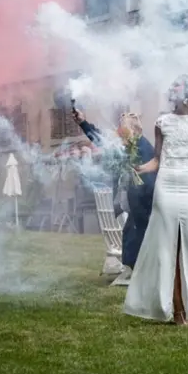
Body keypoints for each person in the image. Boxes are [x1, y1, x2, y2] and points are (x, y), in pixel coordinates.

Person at [123, 75, 188, 325]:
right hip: (166, 185)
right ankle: (177, 310)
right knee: (168, 248)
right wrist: (138, 167)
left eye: (178, 86)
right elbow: (158, 159)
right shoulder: (163, 122)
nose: (173, 90)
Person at [74, 108, 155, 284]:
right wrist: (83, 122)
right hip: (134, 200)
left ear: (134, 130)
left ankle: (138, 271)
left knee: (137, 233)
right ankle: (131, 269)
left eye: (122, 128)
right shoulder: (125, 144)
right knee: (130, 232)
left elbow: (148, 180)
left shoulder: (143, 147)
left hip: (145, 201)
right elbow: (101, 140)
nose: (118, 132)